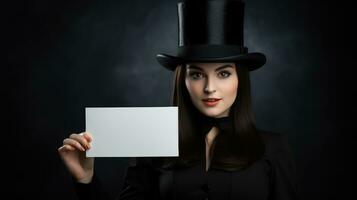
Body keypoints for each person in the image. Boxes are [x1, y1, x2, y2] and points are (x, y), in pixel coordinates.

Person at [58, 0, 299, 199]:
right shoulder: (150, 144)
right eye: (196, 74)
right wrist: (85, 180)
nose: (209, 88)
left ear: (240, 80)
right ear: (182, 81)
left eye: (223, 73)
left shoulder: (274, 148)